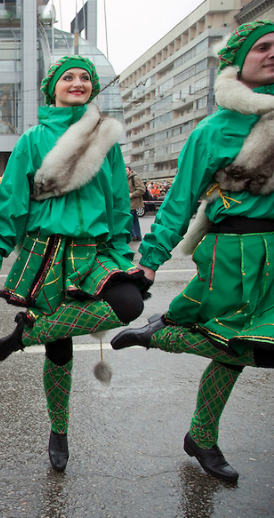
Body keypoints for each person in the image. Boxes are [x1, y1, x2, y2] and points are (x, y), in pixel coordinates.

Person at [111, 20, 274, 483]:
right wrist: (149, 262)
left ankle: (202, 436)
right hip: (235, 251)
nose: (272, 53)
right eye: (262, 47)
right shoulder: (214, 130)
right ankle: (159, 335)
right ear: (237, 61)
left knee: (241, 344)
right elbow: (179, 201)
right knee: (238, 342)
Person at [0, 55, 150, 472]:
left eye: (85, 78)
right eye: (68, 77)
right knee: (59, 349)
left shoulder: (106, 140)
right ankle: (58, 429)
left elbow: (118, 201)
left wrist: (119, 252)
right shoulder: (31, 141)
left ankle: (24, 335)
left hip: (92, 251)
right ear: (52, 89)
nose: (77, 82)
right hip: (45, 250)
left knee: (129, 303)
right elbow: (11, 203)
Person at [127, 165, 146, 241]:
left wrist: (132, 194)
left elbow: (141, 190)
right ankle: (137, 235)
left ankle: (133, 235)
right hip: (130, 202)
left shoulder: (135, 178)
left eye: (126, 171)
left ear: (130, 171)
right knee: (134, 219)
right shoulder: (127, 179)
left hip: (134, 202)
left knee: (130, 218)